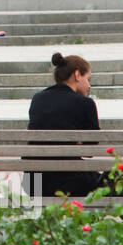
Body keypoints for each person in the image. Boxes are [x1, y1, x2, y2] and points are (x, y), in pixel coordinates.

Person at [26, 53, 101, 197]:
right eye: (88, 79)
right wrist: (76, 143)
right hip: (73, 183)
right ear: (77, 75)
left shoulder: (38, 99)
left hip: (34, 182)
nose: (89, 85)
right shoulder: (85, 103)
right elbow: (90, 150)